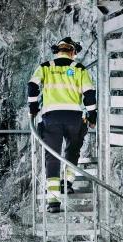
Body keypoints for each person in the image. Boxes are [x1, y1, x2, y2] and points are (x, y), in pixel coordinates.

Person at [27, 37, 97, 213]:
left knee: (52, 156)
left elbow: (32, 86)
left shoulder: (45, 67)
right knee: (73, 150)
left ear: (57, 51)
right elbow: (89, 93)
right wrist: (92, 117)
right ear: (73, 52)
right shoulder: (78, 69)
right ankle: (67, 182)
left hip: (51, 118)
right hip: (74, 117)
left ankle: (53, 201)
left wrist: (33, 108)